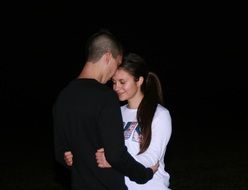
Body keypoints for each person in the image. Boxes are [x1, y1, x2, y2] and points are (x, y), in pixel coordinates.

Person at [53, 30, 158, 190]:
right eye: (117, 64)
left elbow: (61, 152)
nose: (113, 75)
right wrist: (144, 175)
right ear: (108, 57)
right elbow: (115, 155)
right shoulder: (105, 97)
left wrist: (68, 157)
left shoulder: (63, 96)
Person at [65, 53, 172, 189]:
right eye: (114, 82)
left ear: (139, 80)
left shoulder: (160, 114)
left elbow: (151, 158)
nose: (116, 87)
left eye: (122, 82)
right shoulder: (115, 112)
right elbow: (99, 150)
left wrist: (114, 161)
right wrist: (76, 156)